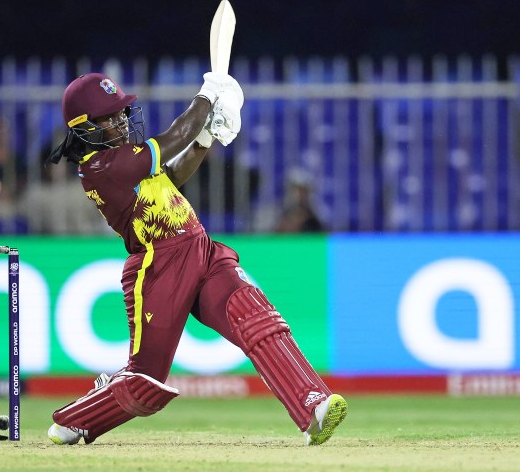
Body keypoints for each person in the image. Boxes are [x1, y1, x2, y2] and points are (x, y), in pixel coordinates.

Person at [45, 72, 347, 446]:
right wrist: (206, 97)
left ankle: (312, 406)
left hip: (201, 250)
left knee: (259, 320)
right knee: (146, 383)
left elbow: (172, 172)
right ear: (85, 127)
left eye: (122, 113)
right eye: (109, 117)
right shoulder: (100, 168)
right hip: (159, 267)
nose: (121, 122)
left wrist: (206, 137)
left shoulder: (129, 161)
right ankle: (74, 421)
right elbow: (172, 140)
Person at [19, 146, 108, 235]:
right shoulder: (36, 193)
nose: (58, 168)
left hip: (85, 241)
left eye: (62, 163)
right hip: (53, 243)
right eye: (54, 163)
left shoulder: (80, 188)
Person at [275, 168, 325, 233]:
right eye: (295, 190)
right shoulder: (281, 215)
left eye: (302, 190)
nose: (299, 194)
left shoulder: (314, 218)